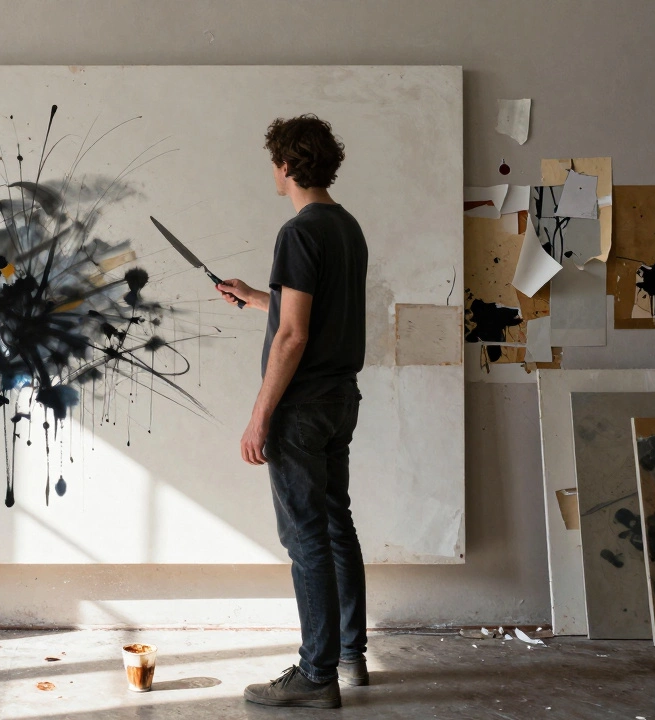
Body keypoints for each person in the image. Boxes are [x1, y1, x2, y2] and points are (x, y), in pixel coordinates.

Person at [217, 114, 370, 710]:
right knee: (336, 525)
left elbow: (292, 337)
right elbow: (308, 312)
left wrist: (260, 416)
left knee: (306, 537)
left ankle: (315, 676)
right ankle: (350, 655)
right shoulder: (346, 227)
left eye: (273, 164)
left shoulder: (299, 232)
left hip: (302, 409)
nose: (273, 174)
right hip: (339, 401)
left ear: (285, 166)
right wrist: (259, 296)